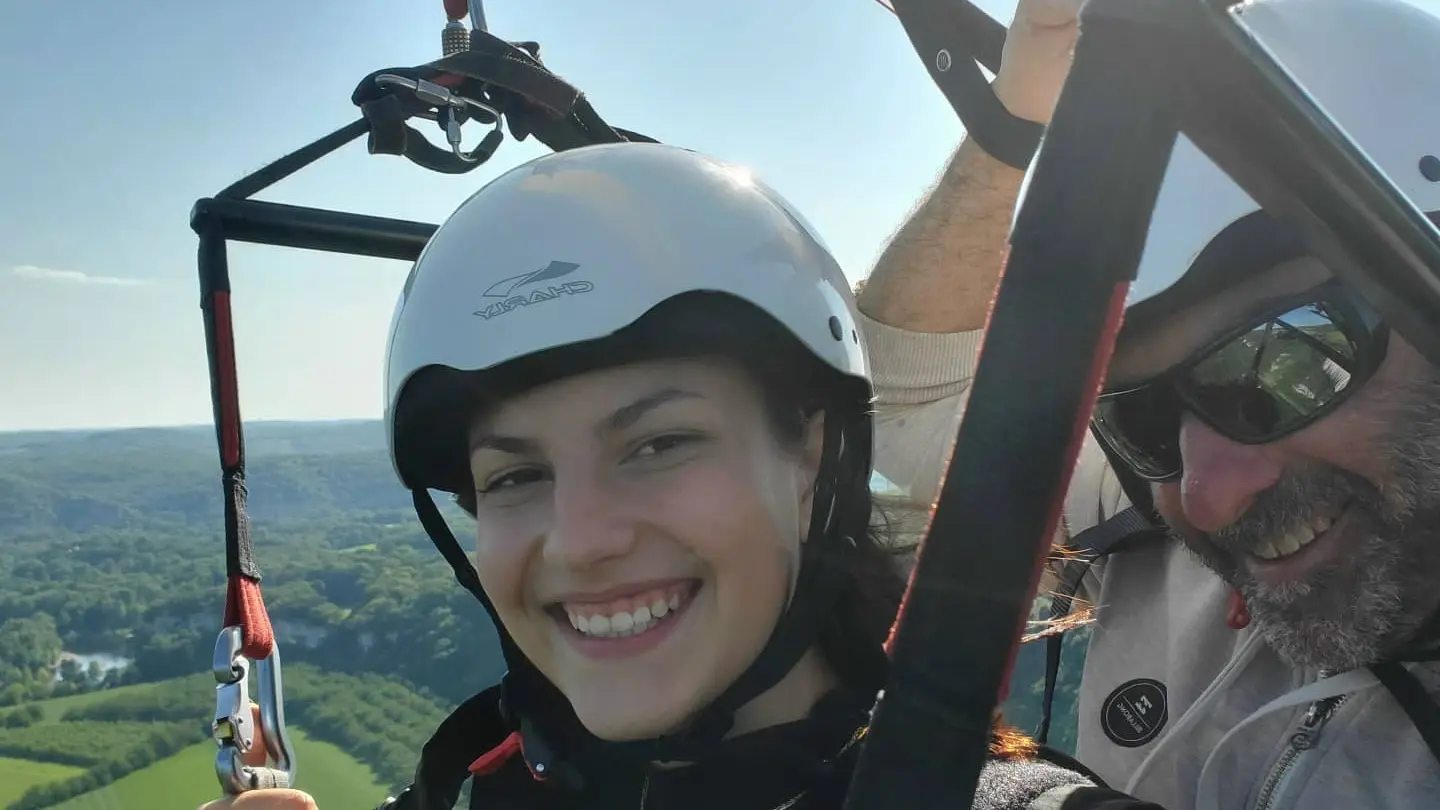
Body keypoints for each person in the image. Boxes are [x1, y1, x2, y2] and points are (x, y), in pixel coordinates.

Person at [197, 143, 1167, 810]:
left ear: (814, 454)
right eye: (516, 475)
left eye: (657, 445)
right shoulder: (510, 780)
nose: (581, 537)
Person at [860, 0, 1440, 807]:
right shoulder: (1145, 535)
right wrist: (1013, 128)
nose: (1206, 495)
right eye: (1137, 416)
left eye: (1278, 362)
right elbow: (905, 408)